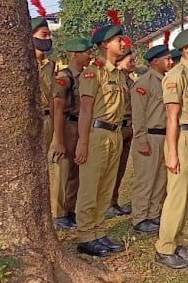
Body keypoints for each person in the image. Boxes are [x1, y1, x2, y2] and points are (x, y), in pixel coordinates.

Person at [154, 28, 188, 269]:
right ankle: (164, 248)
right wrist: (172, 152)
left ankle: (176, 242)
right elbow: (171, 117)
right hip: (183, 138)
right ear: (186, 49)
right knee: (177, 195)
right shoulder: (177, 75)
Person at [73, 24, 127, 257]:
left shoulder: (118, 73)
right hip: (96, 134)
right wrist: (82, 142)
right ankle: (85, 236)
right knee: (90, 186)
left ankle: (98, 230)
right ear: (105, 44)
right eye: (118, 40)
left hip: (115, 133)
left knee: (106, 186)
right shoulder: (92, 72)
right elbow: (85, 110)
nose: (123, 43)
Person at [50, 37, 92, 230]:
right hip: (66, 126)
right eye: (86, 53)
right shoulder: (64, 77)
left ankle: (70, 209)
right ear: (75, 54)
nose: (90, 56)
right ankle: (58, 214)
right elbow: (57, 108)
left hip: (80, 126)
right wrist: (58, 139)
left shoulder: (84, 77)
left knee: (76, 171)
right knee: (62, 171)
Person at [130, 45, 173, 234]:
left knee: (161, 179)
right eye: (167, 59)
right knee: (145, 179)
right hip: (149, 135)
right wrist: (141, 139)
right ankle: (140, 217)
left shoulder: (166, 81)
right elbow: (138, 115)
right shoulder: (144, 83)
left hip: (165, 135)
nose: (170, 62)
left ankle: (153, 214)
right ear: (155, 61)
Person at [107, 47, 135, 217]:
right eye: (130, 60)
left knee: (121, 169)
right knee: (110, 168)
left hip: (128, 126)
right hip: (115, 126)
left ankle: (114, 200)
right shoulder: (114, 79)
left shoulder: (131, 81)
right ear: (119, 62)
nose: (133, 63)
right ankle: (107, 203)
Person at [31, 14, 56, 151]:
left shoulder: (50, 65)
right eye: (44, 35)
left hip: (47, 119)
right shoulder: (24, 63)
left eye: (49, 35)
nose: (48, 39)